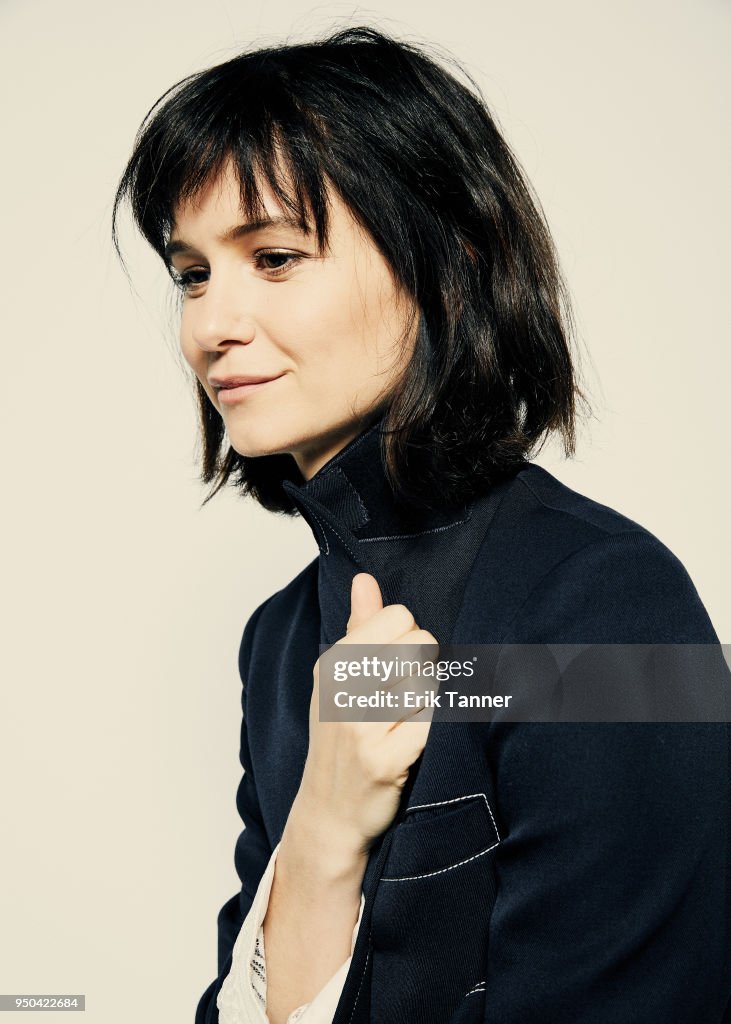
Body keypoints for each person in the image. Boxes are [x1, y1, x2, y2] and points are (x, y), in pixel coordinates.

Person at [113, 25, 731, 1024]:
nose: (209, 324)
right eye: (191, 272)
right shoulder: (279, 645)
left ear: (448, 262)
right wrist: (318, 836)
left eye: (272, 256)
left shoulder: (610, 606)